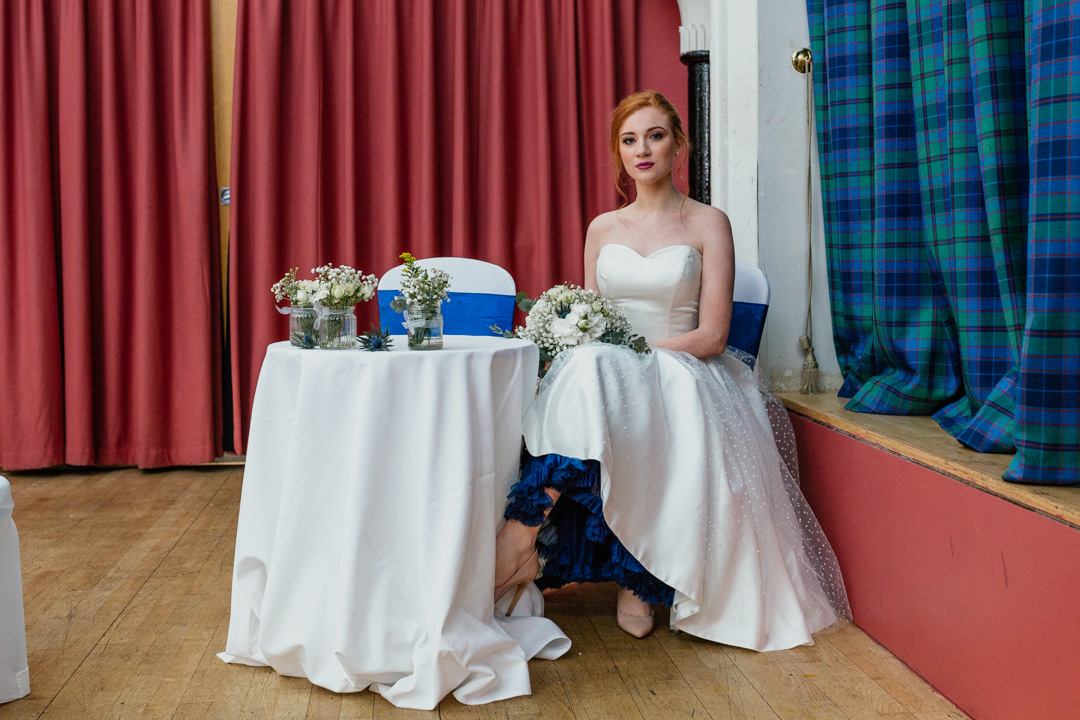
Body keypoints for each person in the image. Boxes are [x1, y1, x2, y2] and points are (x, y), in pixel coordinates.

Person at [494, 90, 850, 649]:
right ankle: (536, 543)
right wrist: (595, 349)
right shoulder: (602, 228)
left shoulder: (709, 222)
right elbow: (588, 318)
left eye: (655, 136)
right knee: (588, 372)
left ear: (678, 144)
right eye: (629, 139)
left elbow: (713, 336)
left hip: (685, 367)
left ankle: (604, 569)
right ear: (618, 151)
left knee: (597, 370)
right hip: (603, 373)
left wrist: (629, 354)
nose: (642, 150)